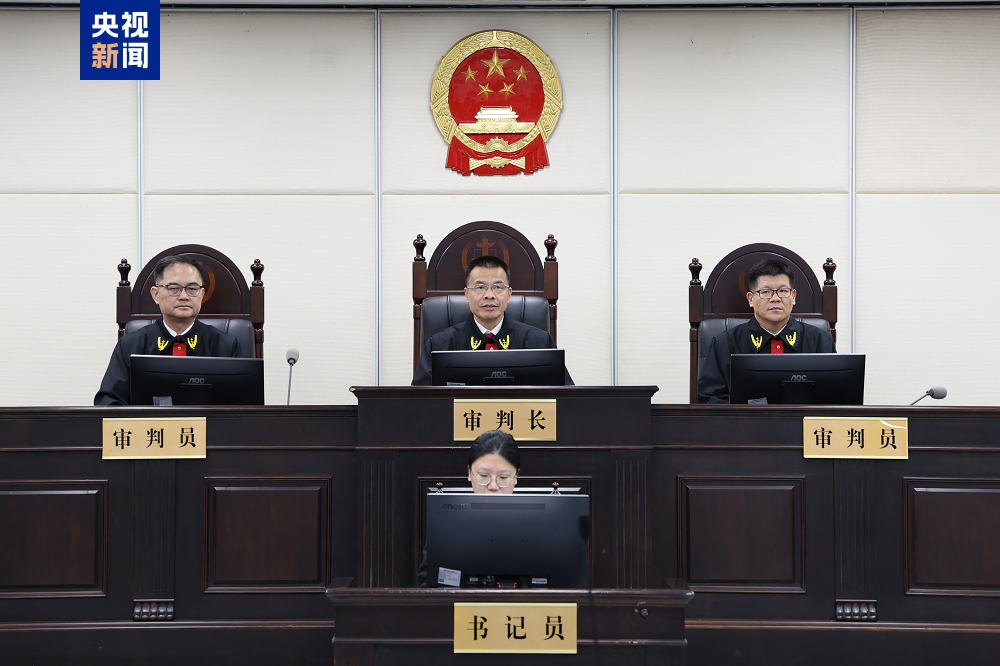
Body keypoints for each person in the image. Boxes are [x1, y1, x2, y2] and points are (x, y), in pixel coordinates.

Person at [94, 255, 246, 405]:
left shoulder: (227, 347)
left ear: (202, 294)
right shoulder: (130, 345)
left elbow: (244, 405)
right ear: (156, 295)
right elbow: (108, 402)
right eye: (174, 288)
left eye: (192, 289)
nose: (184, 296)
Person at [411, 255, 572, 385]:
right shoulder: (439, 346)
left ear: (509, 294)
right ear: (467, 294)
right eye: (480, 287)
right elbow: (419, 404)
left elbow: (566, 400)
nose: (489, 295)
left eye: (498, 287)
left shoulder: (540, 343)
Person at [697, 258, 836, 404]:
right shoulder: (724, 344)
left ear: (793, 297)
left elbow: (835, 397)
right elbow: (709, 399)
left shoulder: (820, 341)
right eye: (766, 292)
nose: (775, 299)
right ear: (751, 299)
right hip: (745, 419)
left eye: (783, 291)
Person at [417, 430, 520, 586]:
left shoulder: (539, 523)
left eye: (503, 477)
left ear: (516, 477)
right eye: (483, 476)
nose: (493, 486)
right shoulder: (448, 522)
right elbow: (427, 582)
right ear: (470, 473)